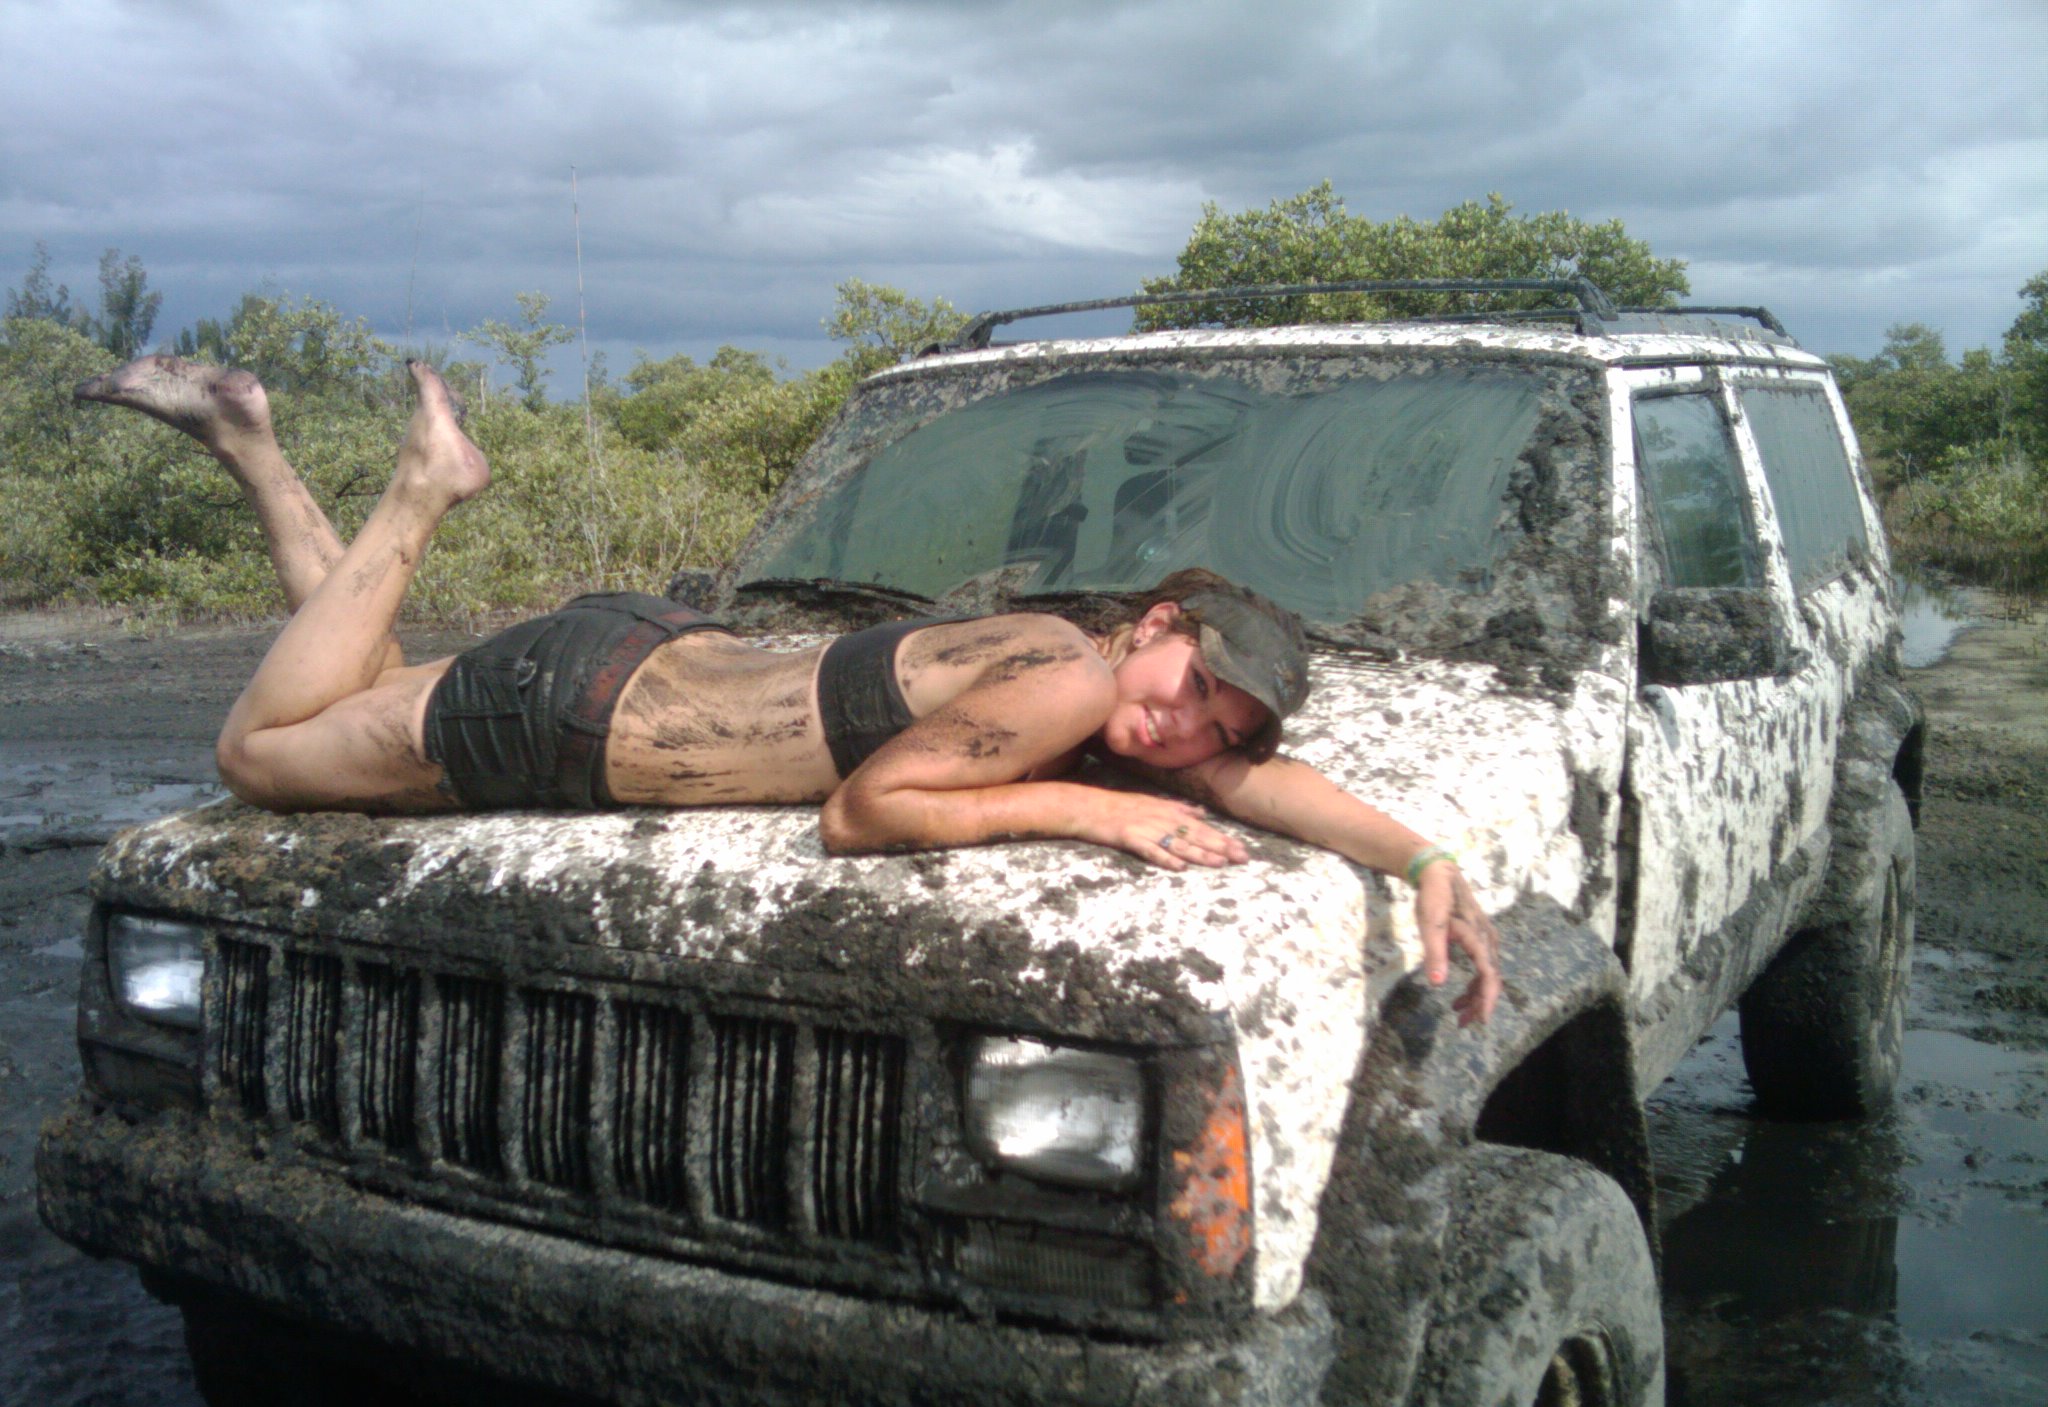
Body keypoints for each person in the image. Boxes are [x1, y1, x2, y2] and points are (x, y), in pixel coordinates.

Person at [75, 357, 1501, 1023]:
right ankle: (423, 486)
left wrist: (1423, 856)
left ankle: (247, 436)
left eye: (1217, 728)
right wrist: (1102, 820)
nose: (1187, 732)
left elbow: (1262, 787)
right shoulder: (1071, 685)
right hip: (577, 722)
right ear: (1159, 619)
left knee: (353, 688)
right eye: (1197, 686)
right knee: (260, 754)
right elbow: (870, 813)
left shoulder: (1080, 664)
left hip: (622, 662)